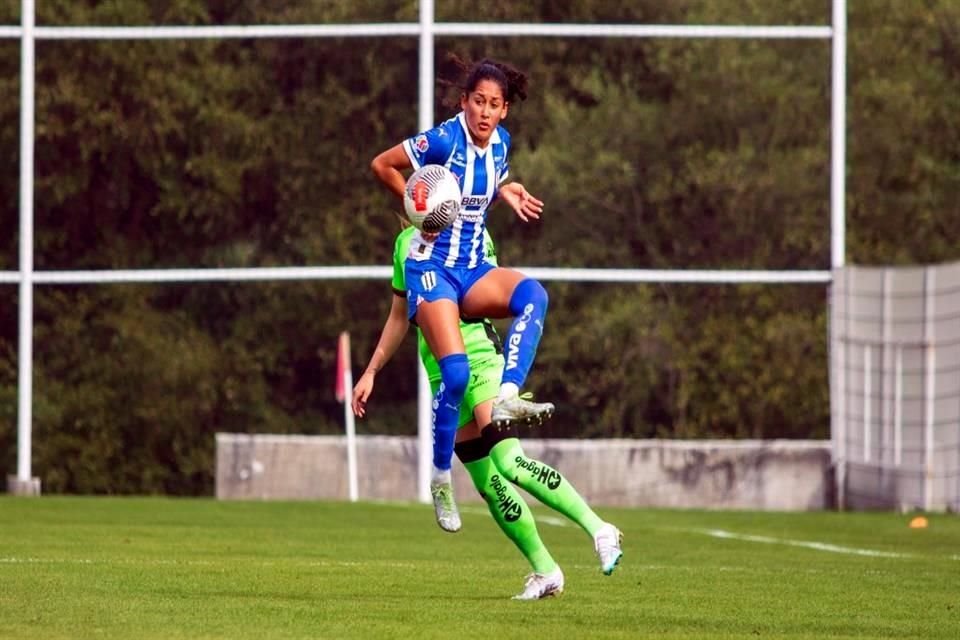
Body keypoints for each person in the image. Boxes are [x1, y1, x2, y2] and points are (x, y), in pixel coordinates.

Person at [352, 223, 623, 600]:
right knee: (491, 487)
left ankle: (600, 529)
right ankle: (546, 571)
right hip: (444, 378)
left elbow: (483, 290)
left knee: (510, 463)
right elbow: (399, 317)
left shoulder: (473, 233)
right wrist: (371, 371)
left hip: (480, 362)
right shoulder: (402, 245)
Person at [370, 56, 555, 525]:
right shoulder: (444, 138)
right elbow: (383, 165)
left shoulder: (501, 147)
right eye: (478, 102)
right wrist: (418, 206)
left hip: (472, 269)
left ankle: (509, 393)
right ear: (464, 102)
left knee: (534, 295)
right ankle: (438, 478)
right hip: (432, 269)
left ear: (505, 110)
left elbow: (476, 192)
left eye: (494, 104)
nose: (485, 112)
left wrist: (504, 191)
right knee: (453, 377)